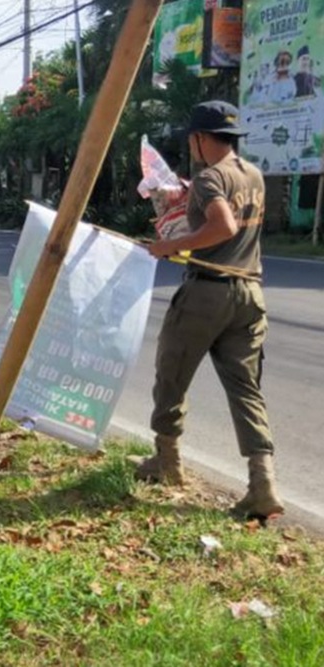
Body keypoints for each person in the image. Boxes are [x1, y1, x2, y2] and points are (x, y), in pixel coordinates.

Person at [137, 101, 283, 521]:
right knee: (245, 388)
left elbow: (223, 226)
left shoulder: (208, 178)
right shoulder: (252, 174)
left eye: (191, 138)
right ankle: (263, 483)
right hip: (250, 294)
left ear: (202, 138)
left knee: (172, 371)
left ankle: (167, 462)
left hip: (208, 295)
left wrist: (172, 246)